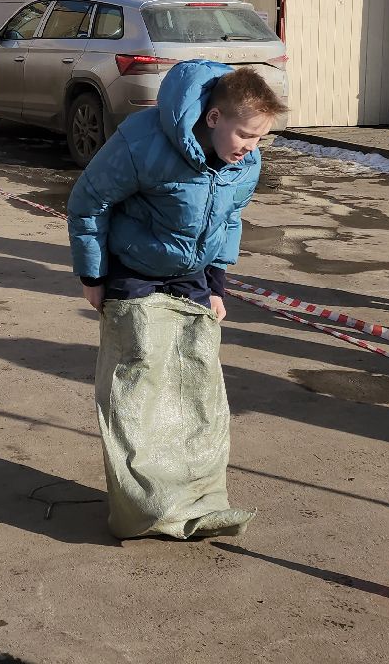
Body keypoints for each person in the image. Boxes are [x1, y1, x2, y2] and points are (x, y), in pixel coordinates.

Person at [68, 62, 285, 541]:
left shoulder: (244, 164)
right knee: (137, 380)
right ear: (213, 118)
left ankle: (200, 502)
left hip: (191, 275)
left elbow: (229, 220)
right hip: (133, 269)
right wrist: (93, 273)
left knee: (199, 384)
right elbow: (89, 200)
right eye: (247, 135)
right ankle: (141, 510)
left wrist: (215, 283)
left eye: (260, 139)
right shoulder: (142, 141)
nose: (252, 148)